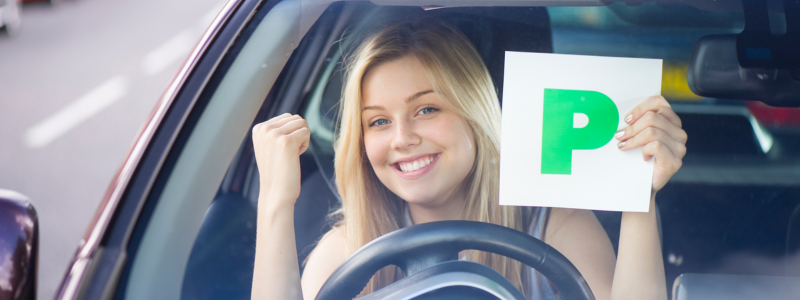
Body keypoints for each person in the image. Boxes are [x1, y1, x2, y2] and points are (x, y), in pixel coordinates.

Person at [251, 19, 686, 300]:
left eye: (427, 110)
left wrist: (638, 194)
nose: (402, 138)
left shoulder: (553, 225)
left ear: (475, 117)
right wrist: (274, 203)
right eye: (379, 122)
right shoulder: (351, 247)